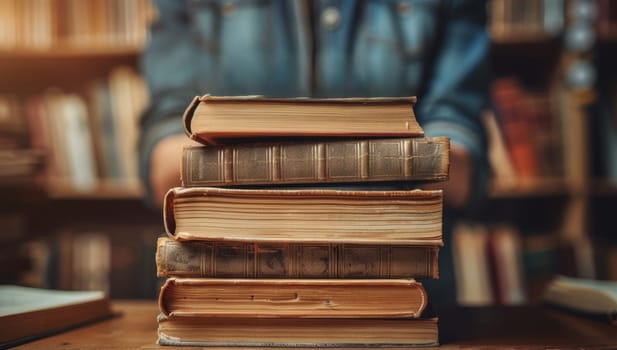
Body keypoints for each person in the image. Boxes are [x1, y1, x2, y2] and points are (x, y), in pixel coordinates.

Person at [138, 0, 490, 305]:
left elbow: (457, 167)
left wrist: (247, 172)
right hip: (225, 303)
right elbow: (167, 168)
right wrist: (380, 169)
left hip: (401, 299)